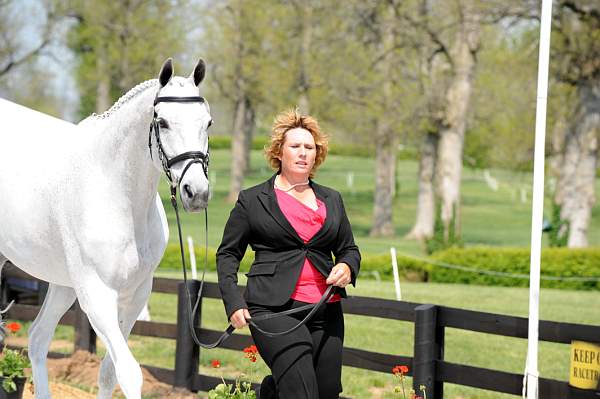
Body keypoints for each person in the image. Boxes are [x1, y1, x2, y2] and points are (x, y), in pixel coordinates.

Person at [216, 109, 361, 399]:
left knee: (325, 392)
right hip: (273, 310)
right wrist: (233, 301)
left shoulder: (331, 199)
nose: (303, 153)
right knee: (301, 391)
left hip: (325, 309)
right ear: (279, 152)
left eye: (309, 147)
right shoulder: (253, 200)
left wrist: (347, 266)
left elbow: (349, 249)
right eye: (295, 146)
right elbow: (228, 254)